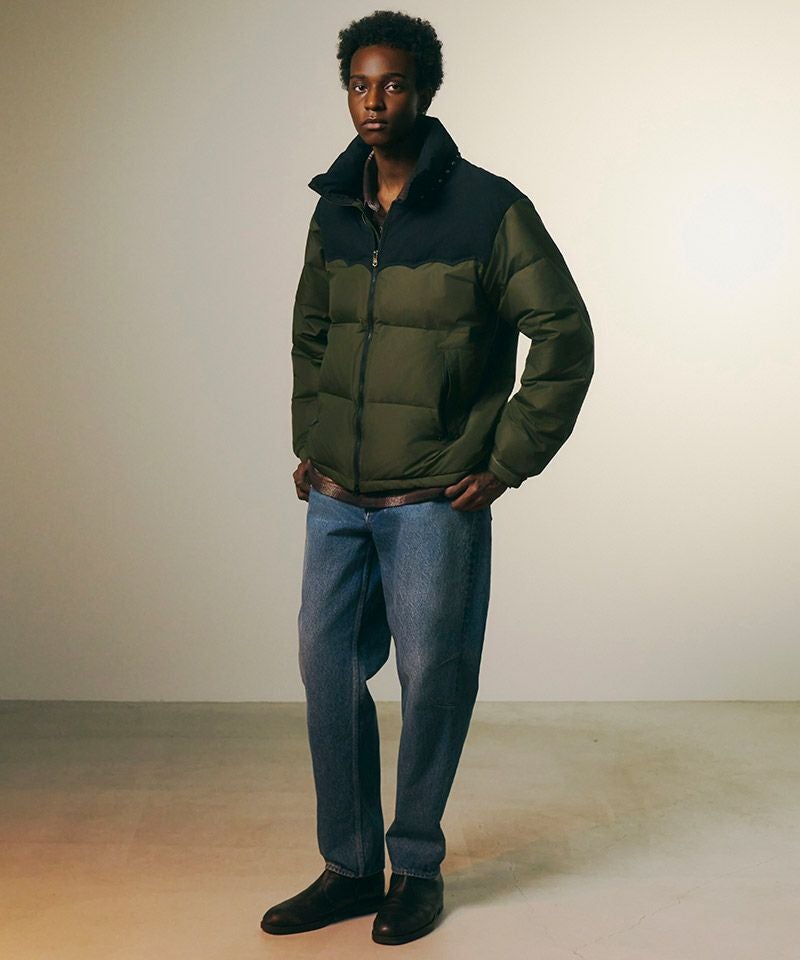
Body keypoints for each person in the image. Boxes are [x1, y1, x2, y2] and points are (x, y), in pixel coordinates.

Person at [261, 9, 594, 946]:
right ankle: (348, 866)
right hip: (336, 493)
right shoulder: (334, 205)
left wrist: (507, 460)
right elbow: (311, 331)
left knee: (431, 679)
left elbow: (564, 336)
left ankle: (414, 867)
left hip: (433, 500)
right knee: (326, 671)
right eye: (359, 85)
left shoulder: (489, 209)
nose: (374, 102)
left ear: (427, 91)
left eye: (394, 84)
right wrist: (314, 437)